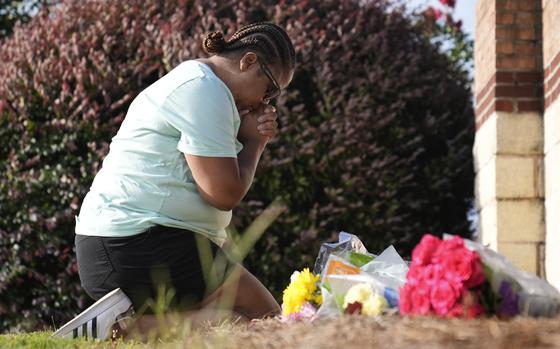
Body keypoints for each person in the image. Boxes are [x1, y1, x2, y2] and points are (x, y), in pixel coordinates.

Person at [53, 22, 296, 340]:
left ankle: (120, 328)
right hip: (136, 243)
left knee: (242, 321)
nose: (267, 103)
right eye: (271, 89)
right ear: (248, 62)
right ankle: (120, 331)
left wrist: (244, 133)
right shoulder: (204, 90)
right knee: (263, 317)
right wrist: (255, 143)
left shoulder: (200, 85)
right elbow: (223, 194)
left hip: (123, 244)